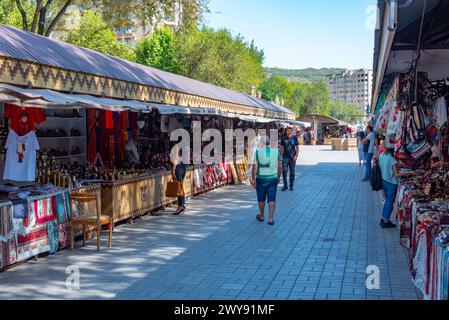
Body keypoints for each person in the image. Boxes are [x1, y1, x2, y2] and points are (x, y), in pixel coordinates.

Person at [378, 147, 414, 228]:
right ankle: (386, 221)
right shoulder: (392, 159)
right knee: (390, 202)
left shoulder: (382, 155)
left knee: (387, 201)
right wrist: (409, 173)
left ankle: (384, 218)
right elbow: (397, 174)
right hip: (391, 183)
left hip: (384, 180)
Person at [252, 135, 282, 226]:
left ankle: (261, 216)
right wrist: (278, 177)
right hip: (272, 178)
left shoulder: (258, 153)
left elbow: (255, 166)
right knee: (271, 198)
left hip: (261, 178)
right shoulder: (276, 152)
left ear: (261, 143)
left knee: (261, 198)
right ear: (270, 143)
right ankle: (270, 218)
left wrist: (253, 179)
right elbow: (280, 166)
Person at [280, 127, 300, 191]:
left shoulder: (294, 138)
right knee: (284, 171)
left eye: (290, 131)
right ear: (286, 131)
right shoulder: (283, 138)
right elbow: (281, 148)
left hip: (292, 158)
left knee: (292, 173)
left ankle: (291, 186)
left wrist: (296, 155)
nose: (288, 132)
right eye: (287, 131)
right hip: (285, 157)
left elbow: (297, 147)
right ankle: (285, 186)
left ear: (292, 131)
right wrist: (280, 157)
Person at [170, 144, 187, 215]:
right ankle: (182, 205)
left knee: (179, 189)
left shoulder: (176, 147)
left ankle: (179, 206)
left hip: (178, 169)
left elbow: (175, 159)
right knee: (181, 187)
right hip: (183, 168)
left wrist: (173, 170)